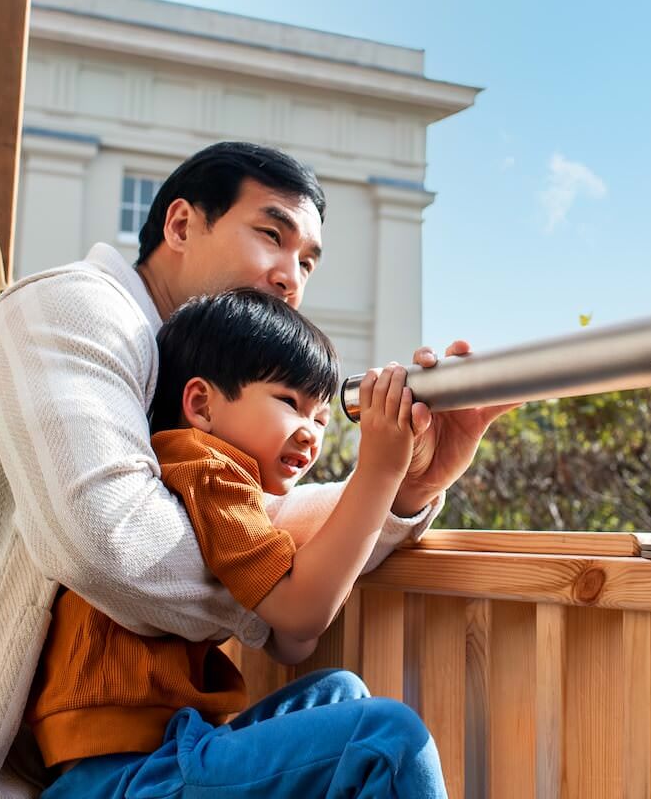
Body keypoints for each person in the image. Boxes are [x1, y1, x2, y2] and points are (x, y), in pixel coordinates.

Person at [0, 142, 509, 798]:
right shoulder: (71, 310)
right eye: (272, 234)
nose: (291, 275)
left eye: (308, 261)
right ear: (181, 225)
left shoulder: (190, 395)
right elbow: (114, 546)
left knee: (339, 697)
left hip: (139, 753)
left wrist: (410, 480)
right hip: (3, 778)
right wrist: (279, 591)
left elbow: (245, 527)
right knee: (381, 740)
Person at [28, 288, 446, 796]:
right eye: (290, 403)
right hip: (121, 776)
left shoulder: (226, 490)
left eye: (320, 418)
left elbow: (294, 640)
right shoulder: (206, 466)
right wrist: (380, 470)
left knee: (341, 693)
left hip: (157, 756)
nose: (311, 434)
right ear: (202, 404)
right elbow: (300, 615)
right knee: (387, 738)